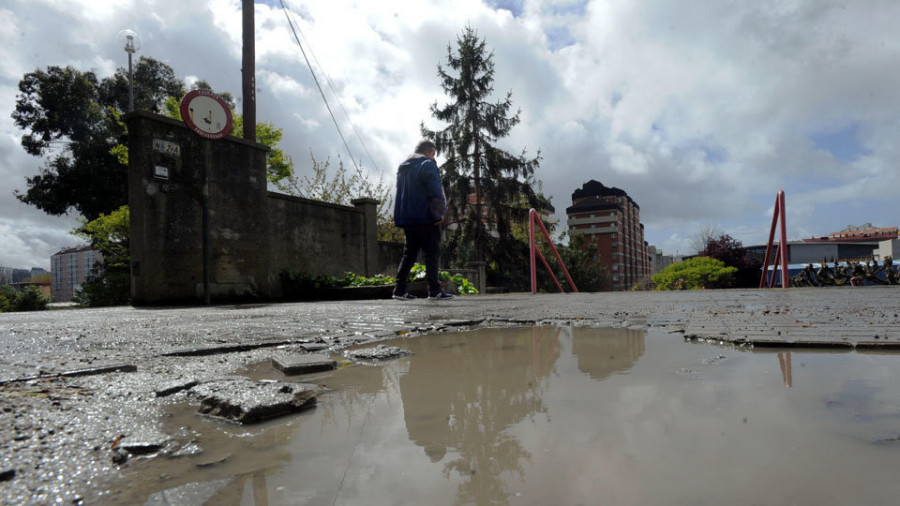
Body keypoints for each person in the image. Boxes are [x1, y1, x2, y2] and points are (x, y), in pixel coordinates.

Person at [392, 140, 454, 300]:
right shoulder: (427, 164)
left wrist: (401, 218)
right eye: (433, 154)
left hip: (408, 218)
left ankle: (399, 290)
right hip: (426, 217)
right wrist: (439, 214)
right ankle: (435, 290)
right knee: (432, 253)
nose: (434, 158)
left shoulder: (403, 168)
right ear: (428, 151)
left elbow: (400, 194)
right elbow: (435, 191)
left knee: (410, 254)